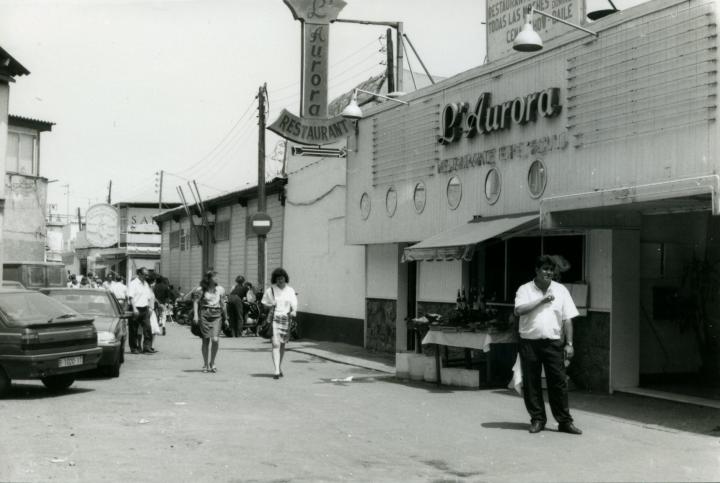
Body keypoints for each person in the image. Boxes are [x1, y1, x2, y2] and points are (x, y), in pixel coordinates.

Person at [514, 255, 582, 435]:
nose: (548, 273)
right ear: (537, 270)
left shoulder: (561, 290)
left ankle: (564, 422)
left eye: (551, 270)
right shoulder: (524, 289)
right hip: (529, 343)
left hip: (553, 343)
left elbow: (567, 318)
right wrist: (542, 301)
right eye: (545, 269)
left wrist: (569, 343)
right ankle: (538, 419)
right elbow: (519, 310)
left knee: (558, 383)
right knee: (531, 383)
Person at [261, 267, 297, 380]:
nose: (279, 281)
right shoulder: (270, 290)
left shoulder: (290, 290)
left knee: (282, 345)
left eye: (281, 279)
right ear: (274, 280)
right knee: (275, 344)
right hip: (274, 319)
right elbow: (263, 303)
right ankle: (276, 370)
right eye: (277, 279)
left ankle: (279, 366)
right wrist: (271, 304)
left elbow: (294, 303)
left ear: (285, 278)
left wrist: (294, 310)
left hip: (286, 319)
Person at [192, 271, 227, 373]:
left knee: (215, 339)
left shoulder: (220, 289)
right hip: (205, 315)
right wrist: (196, 315)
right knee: (206, 340)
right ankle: (205, 364)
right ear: (209, 278)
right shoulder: (201, 289)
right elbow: (195, 302)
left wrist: (227, 317)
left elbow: (223, 303)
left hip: (217, 315)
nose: (217, 279)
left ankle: (212, 362)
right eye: (215, 277)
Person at [128, 267, 156, 354]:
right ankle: (134, 348)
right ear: (139, 274)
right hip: (135, 308)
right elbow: (131, 297)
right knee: (134, 329)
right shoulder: (133, 283)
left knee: (148, 328)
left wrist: (149, 307)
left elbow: (148, 297)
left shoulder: (145, 284)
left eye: (147, 275)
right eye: (145, 274)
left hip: (145, 308)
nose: (146, 276)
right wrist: (134, 308)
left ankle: (147, 347)